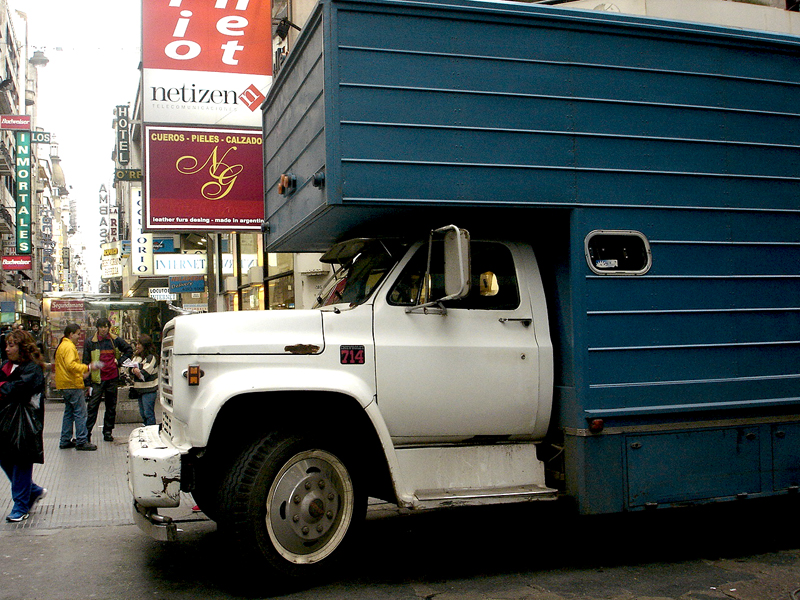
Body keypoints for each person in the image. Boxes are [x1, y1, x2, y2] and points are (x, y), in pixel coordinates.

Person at [0, 329, 47, 522]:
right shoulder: (5, 366)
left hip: (25, 424)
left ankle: (20, 505)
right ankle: (32, 491)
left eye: (12, 345)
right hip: (5, 422)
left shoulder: (32, 368)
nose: (8, 349)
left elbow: (17, 389)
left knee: (21, 461)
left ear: (22, 347)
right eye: (7, 345)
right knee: (5, 458)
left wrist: (3, 386)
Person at [82, 317, 133, 443]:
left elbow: (129, 350)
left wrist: (120, 362)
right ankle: (86, 433)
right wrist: (87, 384)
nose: (104, 329)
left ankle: (108, 431)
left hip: (112, 378)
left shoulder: (115, 340)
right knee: (92, 407)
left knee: (111, 406)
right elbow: (86, 363)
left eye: (106, 326)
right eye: (101, 327)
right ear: (97, 328)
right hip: (97, 380)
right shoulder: (90, 342)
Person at [54, 324, 98, 451]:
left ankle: (65, 439)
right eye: (78, 334)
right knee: (80, 413)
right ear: (70, 334)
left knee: (69, 412)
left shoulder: (62, 346)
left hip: (64, 384)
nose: (79, 336)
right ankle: (81, 440)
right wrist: (87, 367)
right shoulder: (69, 347)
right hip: (72, 384)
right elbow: (71, 365)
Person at [128, 334, 159, 427]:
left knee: (148, 413)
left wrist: (137, 370)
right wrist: (134, 370)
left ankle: (151, 431)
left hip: (149, 389)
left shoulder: (151, 358)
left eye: (139, 344)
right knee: (143, 413)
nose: (137, 346)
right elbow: (130, 369)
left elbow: (144, 373)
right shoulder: (137, 357)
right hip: (139, 389)